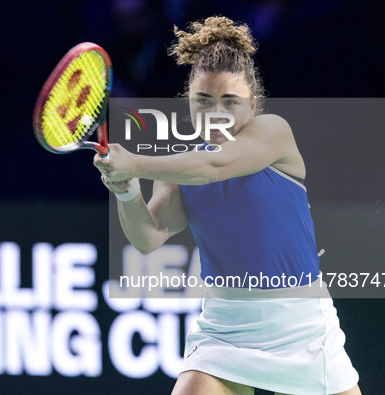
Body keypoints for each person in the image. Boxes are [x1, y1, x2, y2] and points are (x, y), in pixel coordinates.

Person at [94, 16, 361, 395]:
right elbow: (148, 236)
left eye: (229, 102)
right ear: (188, 101)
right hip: (224, 330)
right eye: (203, 100)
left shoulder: (274, 132)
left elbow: (214, 165)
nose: (215, 112)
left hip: (302, 328)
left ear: (252, 106)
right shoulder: (176, 167)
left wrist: (134, 161)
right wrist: (125, 191)